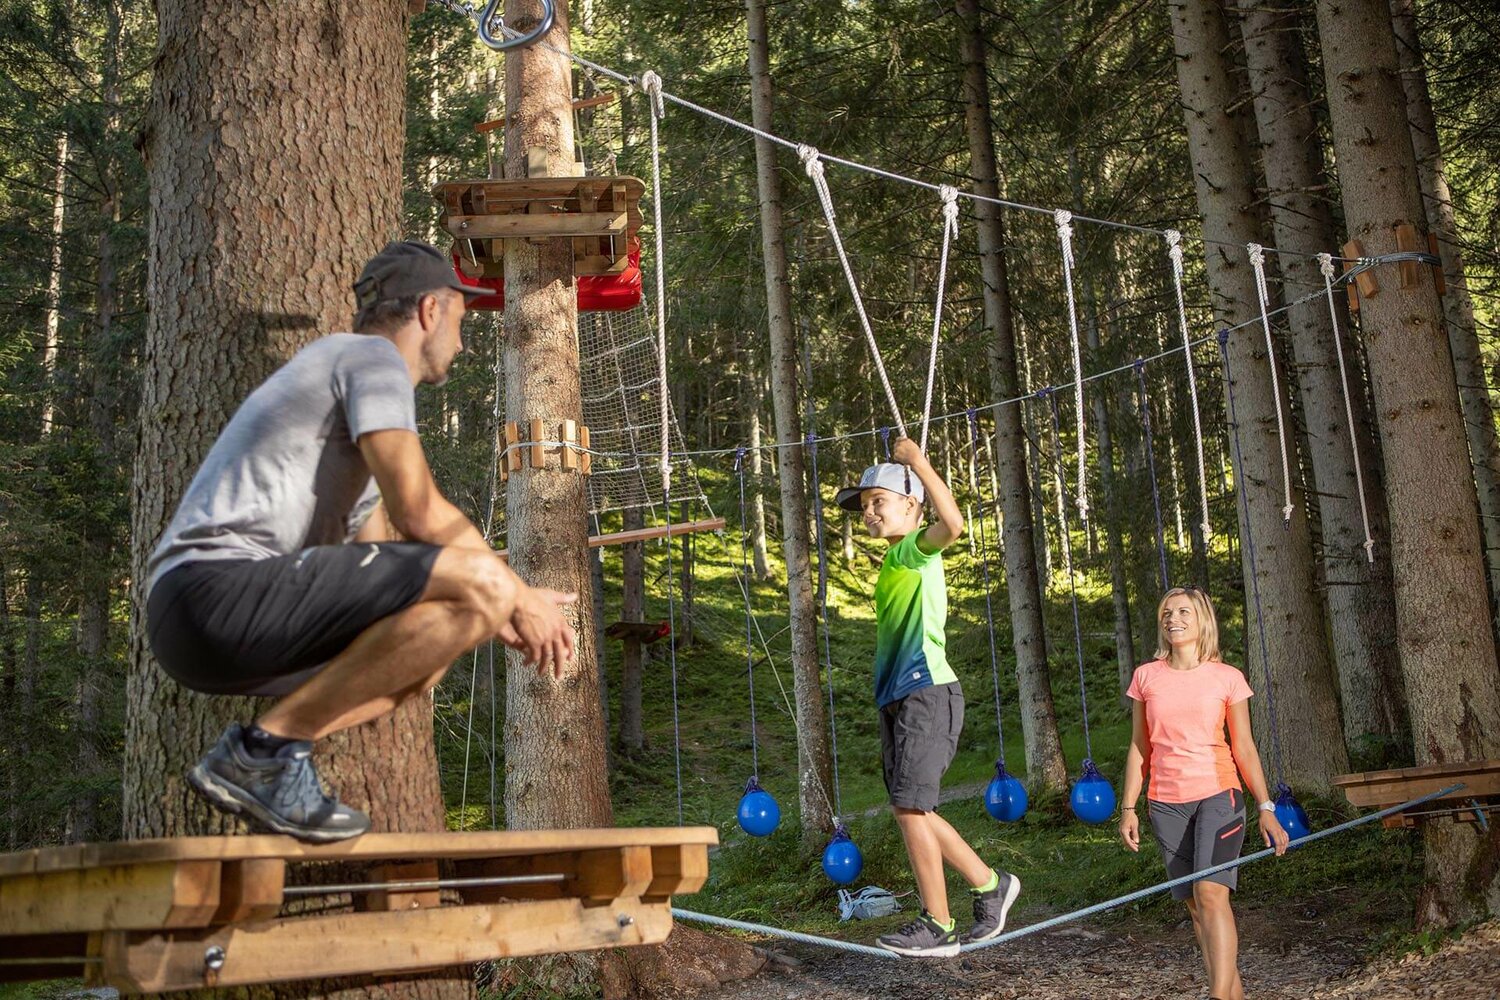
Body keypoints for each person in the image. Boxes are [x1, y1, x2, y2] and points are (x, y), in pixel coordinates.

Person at [145, 241, 577, 844]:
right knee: (481, 587)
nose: (461, 341)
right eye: (459, 319)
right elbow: (419, 512)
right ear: (430, 310)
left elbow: (376, 567)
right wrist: (512, 592)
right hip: (209, 590)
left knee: (429, 653)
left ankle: (271, 755)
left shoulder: (352, 410)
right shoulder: (370, 359)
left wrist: (489, 608)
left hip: (199, 632)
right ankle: (261, 753)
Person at [834, 437, 1020, 958]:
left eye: (879, 501)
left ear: (912, 505)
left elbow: (953, 525)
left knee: (912, 807)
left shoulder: (915, 548)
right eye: (864, 506)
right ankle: (990, 885)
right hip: (897, 697)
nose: (869, 512)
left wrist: (919, 463)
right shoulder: (896, 558)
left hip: (926, 692)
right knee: (909, 808)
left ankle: (939, 923)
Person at [1119, 586, 1290, 1000]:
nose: (1173, 619)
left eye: (1183, 612)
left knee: (1211, 894)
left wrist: (1266, 806)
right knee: (1197, 909)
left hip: (1219, 795)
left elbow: (1243, 746)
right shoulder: (1146, 676)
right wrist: (1128, 807)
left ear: (1202, 621)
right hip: (1165, 804)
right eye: (1166, 612)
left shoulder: (1227, 677)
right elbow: (1140, 745)